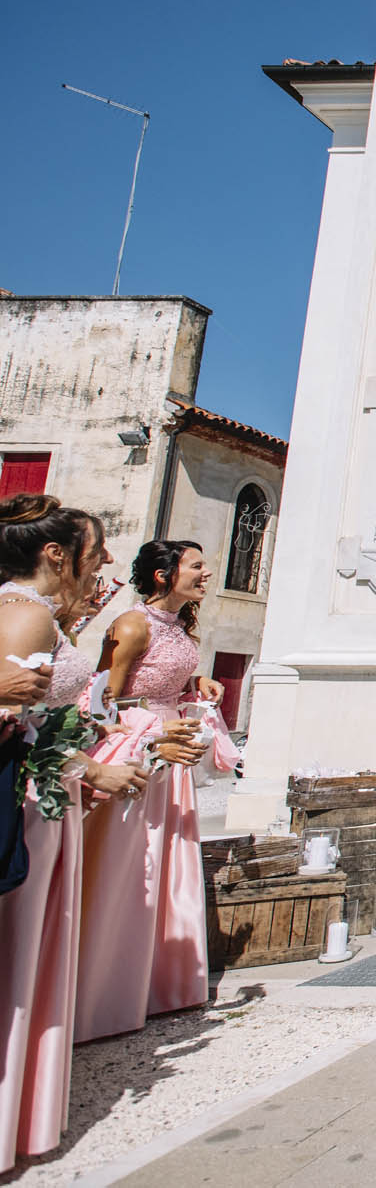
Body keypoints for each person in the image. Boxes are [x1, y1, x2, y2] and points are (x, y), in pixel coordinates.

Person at [0, 497, 146, 1175]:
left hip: (47, 800)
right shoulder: (23, 610)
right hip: (27, 803)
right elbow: (12, 728)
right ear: (55, 553)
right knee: (15, 963)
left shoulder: (41, 614)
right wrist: (81, 764)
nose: (107, 560)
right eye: (98, 547)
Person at [76, 541, 224, 1041]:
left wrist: (195, 685)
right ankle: (106, 988)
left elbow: (162, 680)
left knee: (168, 862)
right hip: (138, 751)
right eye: (196, 565)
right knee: (129, 866)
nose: (207, 573)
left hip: (173, 752)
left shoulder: (180, 626)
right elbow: (99, 703)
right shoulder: (132, 625)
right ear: (163, 575)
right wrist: (151, 735)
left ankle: (157, 982)